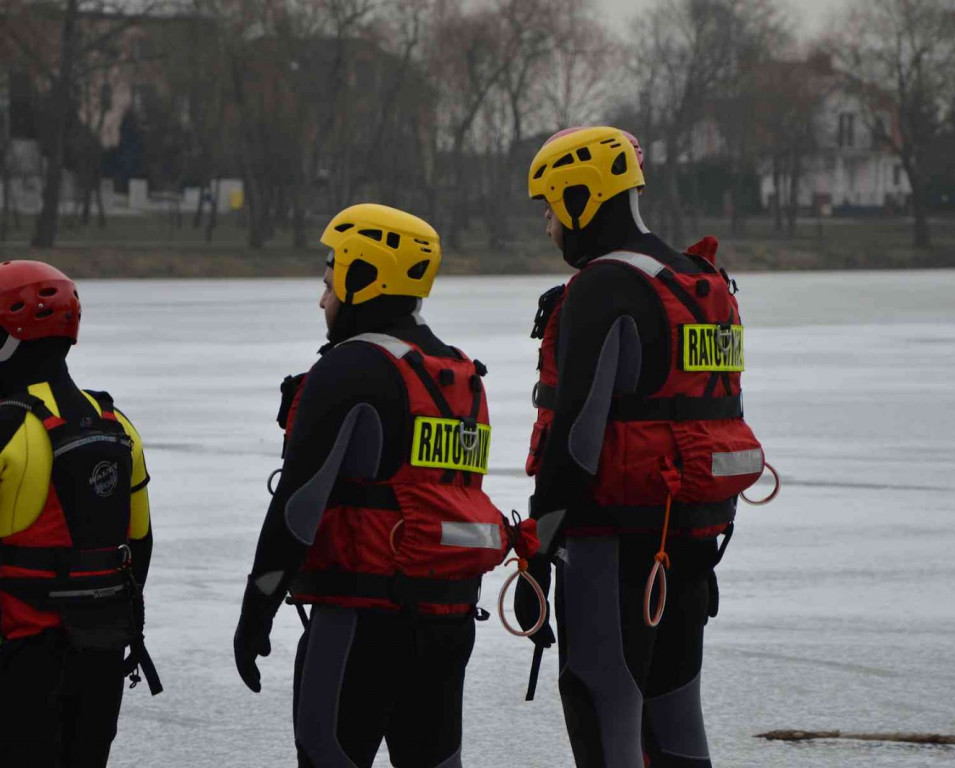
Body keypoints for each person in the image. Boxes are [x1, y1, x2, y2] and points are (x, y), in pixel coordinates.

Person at [233, 203, 535, 768]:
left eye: (329, 282)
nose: (323, 299)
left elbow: (297, 511)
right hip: (447, 624)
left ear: (361, 276)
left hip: (359, 624)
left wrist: (256, 612)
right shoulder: (458, 374)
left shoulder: (349, 368)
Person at [514, 127, 765, 767]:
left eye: (550, 207)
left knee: (604, 721)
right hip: (690, 546)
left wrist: (536, 555)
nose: (548, 225)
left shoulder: (603, 286)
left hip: (611, 553)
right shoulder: (698, 281)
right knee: (677, 730)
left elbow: (575, 446)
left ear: (581, 199)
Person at [0, 261, 159, 768]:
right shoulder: (117, 423)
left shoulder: (8, 427)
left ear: (10, 339)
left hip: (21, 662)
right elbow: (140, 544)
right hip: (100, 657)